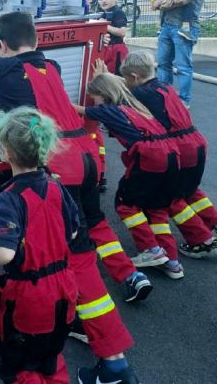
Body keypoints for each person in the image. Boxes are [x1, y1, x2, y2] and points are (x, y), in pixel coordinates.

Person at [0, 13, 140, 384]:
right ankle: (112, 309)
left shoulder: (2, 69)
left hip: (60, 166)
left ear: (2, 45)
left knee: (71, 262)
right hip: (85, 155)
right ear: (35, 39)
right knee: (91, 233)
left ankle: (112, 362)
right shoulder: (53, 65)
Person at [0, 107, 79, 384]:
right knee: (50, 358)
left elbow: (5, 251)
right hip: (64, 289)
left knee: (20, 365)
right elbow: (72, 232)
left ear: (7, 152)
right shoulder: (56, 187)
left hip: (30, 298)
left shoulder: (9, 198)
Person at [75, 72, 192, 280]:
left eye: (95, 97)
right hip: (173, 157)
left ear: (104, 95)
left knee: (126, 204)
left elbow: (78, 110)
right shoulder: (134, 104)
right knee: (156, 208)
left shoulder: (109, 110)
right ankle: (172, 263)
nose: (95, 102)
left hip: (150, 159)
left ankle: (151, 251)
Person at [120, 50, 217, 252]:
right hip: (196, 143)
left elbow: (120, 99)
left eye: (126, 79)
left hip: (177, 149)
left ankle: (203, 241)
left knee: (170, 197)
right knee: (190, 190)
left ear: (134, 77)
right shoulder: (164, 88)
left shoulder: (140, 94)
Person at [155, 0, 211, 107]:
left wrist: (159, 4)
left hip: (184, 27)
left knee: (183, 67)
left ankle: (184, 101)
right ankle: (165, 98)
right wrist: (159, 0)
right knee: (163, 64)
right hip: (167, 24)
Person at [97, 0, 129, 76]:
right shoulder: (103, 14)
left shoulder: (118, 13)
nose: (104, 1)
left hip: (117, 50)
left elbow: (122, 32)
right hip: (107, 49)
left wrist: (104, 26)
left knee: (116, 77)